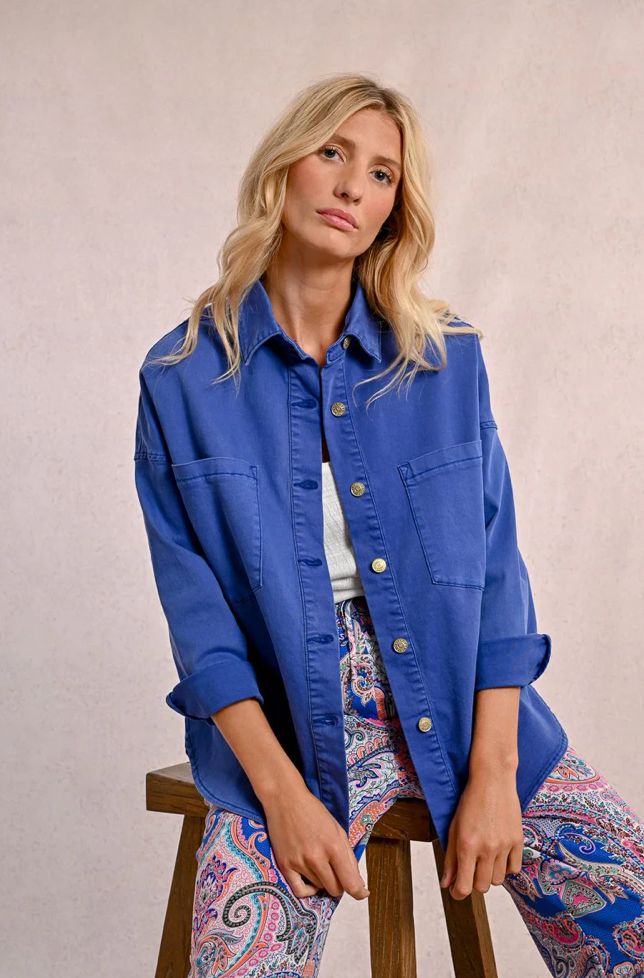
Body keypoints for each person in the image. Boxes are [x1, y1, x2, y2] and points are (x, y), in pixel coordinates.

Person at [133, 72, 644, 978]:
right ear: (284, 166)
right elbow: (200, 625)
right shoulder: (180, 377)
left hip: (461, 705)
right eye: (332, 152)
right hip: (283, 730)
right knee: (241, 961)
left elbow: (496, 577)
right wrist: (280, 796)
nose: (350, 186)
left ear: (393, 211)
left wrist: (495, 775)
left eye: (380, 174)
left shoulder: (447, 361)